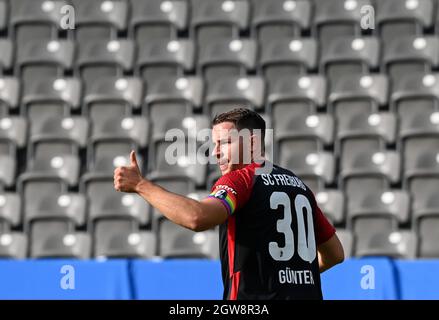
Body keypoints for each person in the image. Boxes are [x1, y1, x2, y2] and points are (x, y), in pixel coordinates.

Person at [113, 108, 344, 300]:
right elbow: (335, 254)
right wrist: (290, 278)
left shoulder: (241, 179)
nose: (216, 153)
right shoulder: (298, 185)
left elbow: (197, 218)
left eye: (224, 143)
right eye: (215, 144)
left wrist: (141, 185)